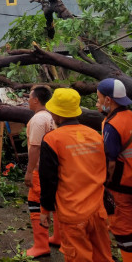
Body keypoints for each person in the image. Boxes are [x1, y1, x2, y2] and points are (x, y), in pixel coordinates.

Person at [39, 88, 113, 262]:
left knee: (79, 257)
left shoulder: (52, 140)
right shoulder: (95, 135)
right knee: (103, 256)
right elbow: (107, 168)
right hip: (98, 211)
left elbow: (48, 180)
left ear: (56, 114)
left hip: (73, 214)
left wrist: (45, 210)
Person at [97, 78, 132, 262]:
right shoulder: (130, 117)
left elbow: (110, 162)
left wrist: (105, 184)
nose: (98, 102)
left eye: (99, 98)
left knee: (122, 229)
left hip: (123, 185)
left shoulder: (112, 125)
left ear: (108, 100)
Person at [24, 86, 60, 257]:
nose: (28, 100)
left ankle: (41, 245)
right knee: (56, 204)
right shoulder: (52, 117)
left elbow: (35, 148)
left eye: (30, 97)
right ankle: (58, 237)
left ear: (36, 99)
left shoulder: (38, 120)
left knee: (35, 204)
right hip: (56, 169)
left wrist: (29, 172)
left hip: (41, 170)